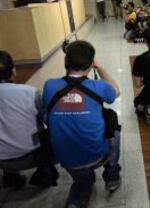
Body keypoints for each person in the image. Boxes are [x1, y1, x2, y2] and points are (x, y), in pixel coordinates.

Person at [43, 41, 121, 208]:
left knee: (82, 180)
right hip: (97, 155)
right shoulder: (99, 86)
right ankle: (112, 175)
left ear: (66, 62)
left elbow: (45, 115)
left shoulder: (49, 86)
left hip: (65, 159)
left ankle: (81, 189)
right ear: (91, 63)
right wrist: (99, 68)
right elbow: (116, 90)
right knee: (113, 123)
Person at [0, 51, 57, 189]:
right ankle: (44, 171)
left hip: (1, 160)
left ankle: (10, 176)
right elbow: (49, 120)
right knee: (57, 130)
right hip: (31, 155)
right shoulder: (29, 92)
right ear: (13, 70)